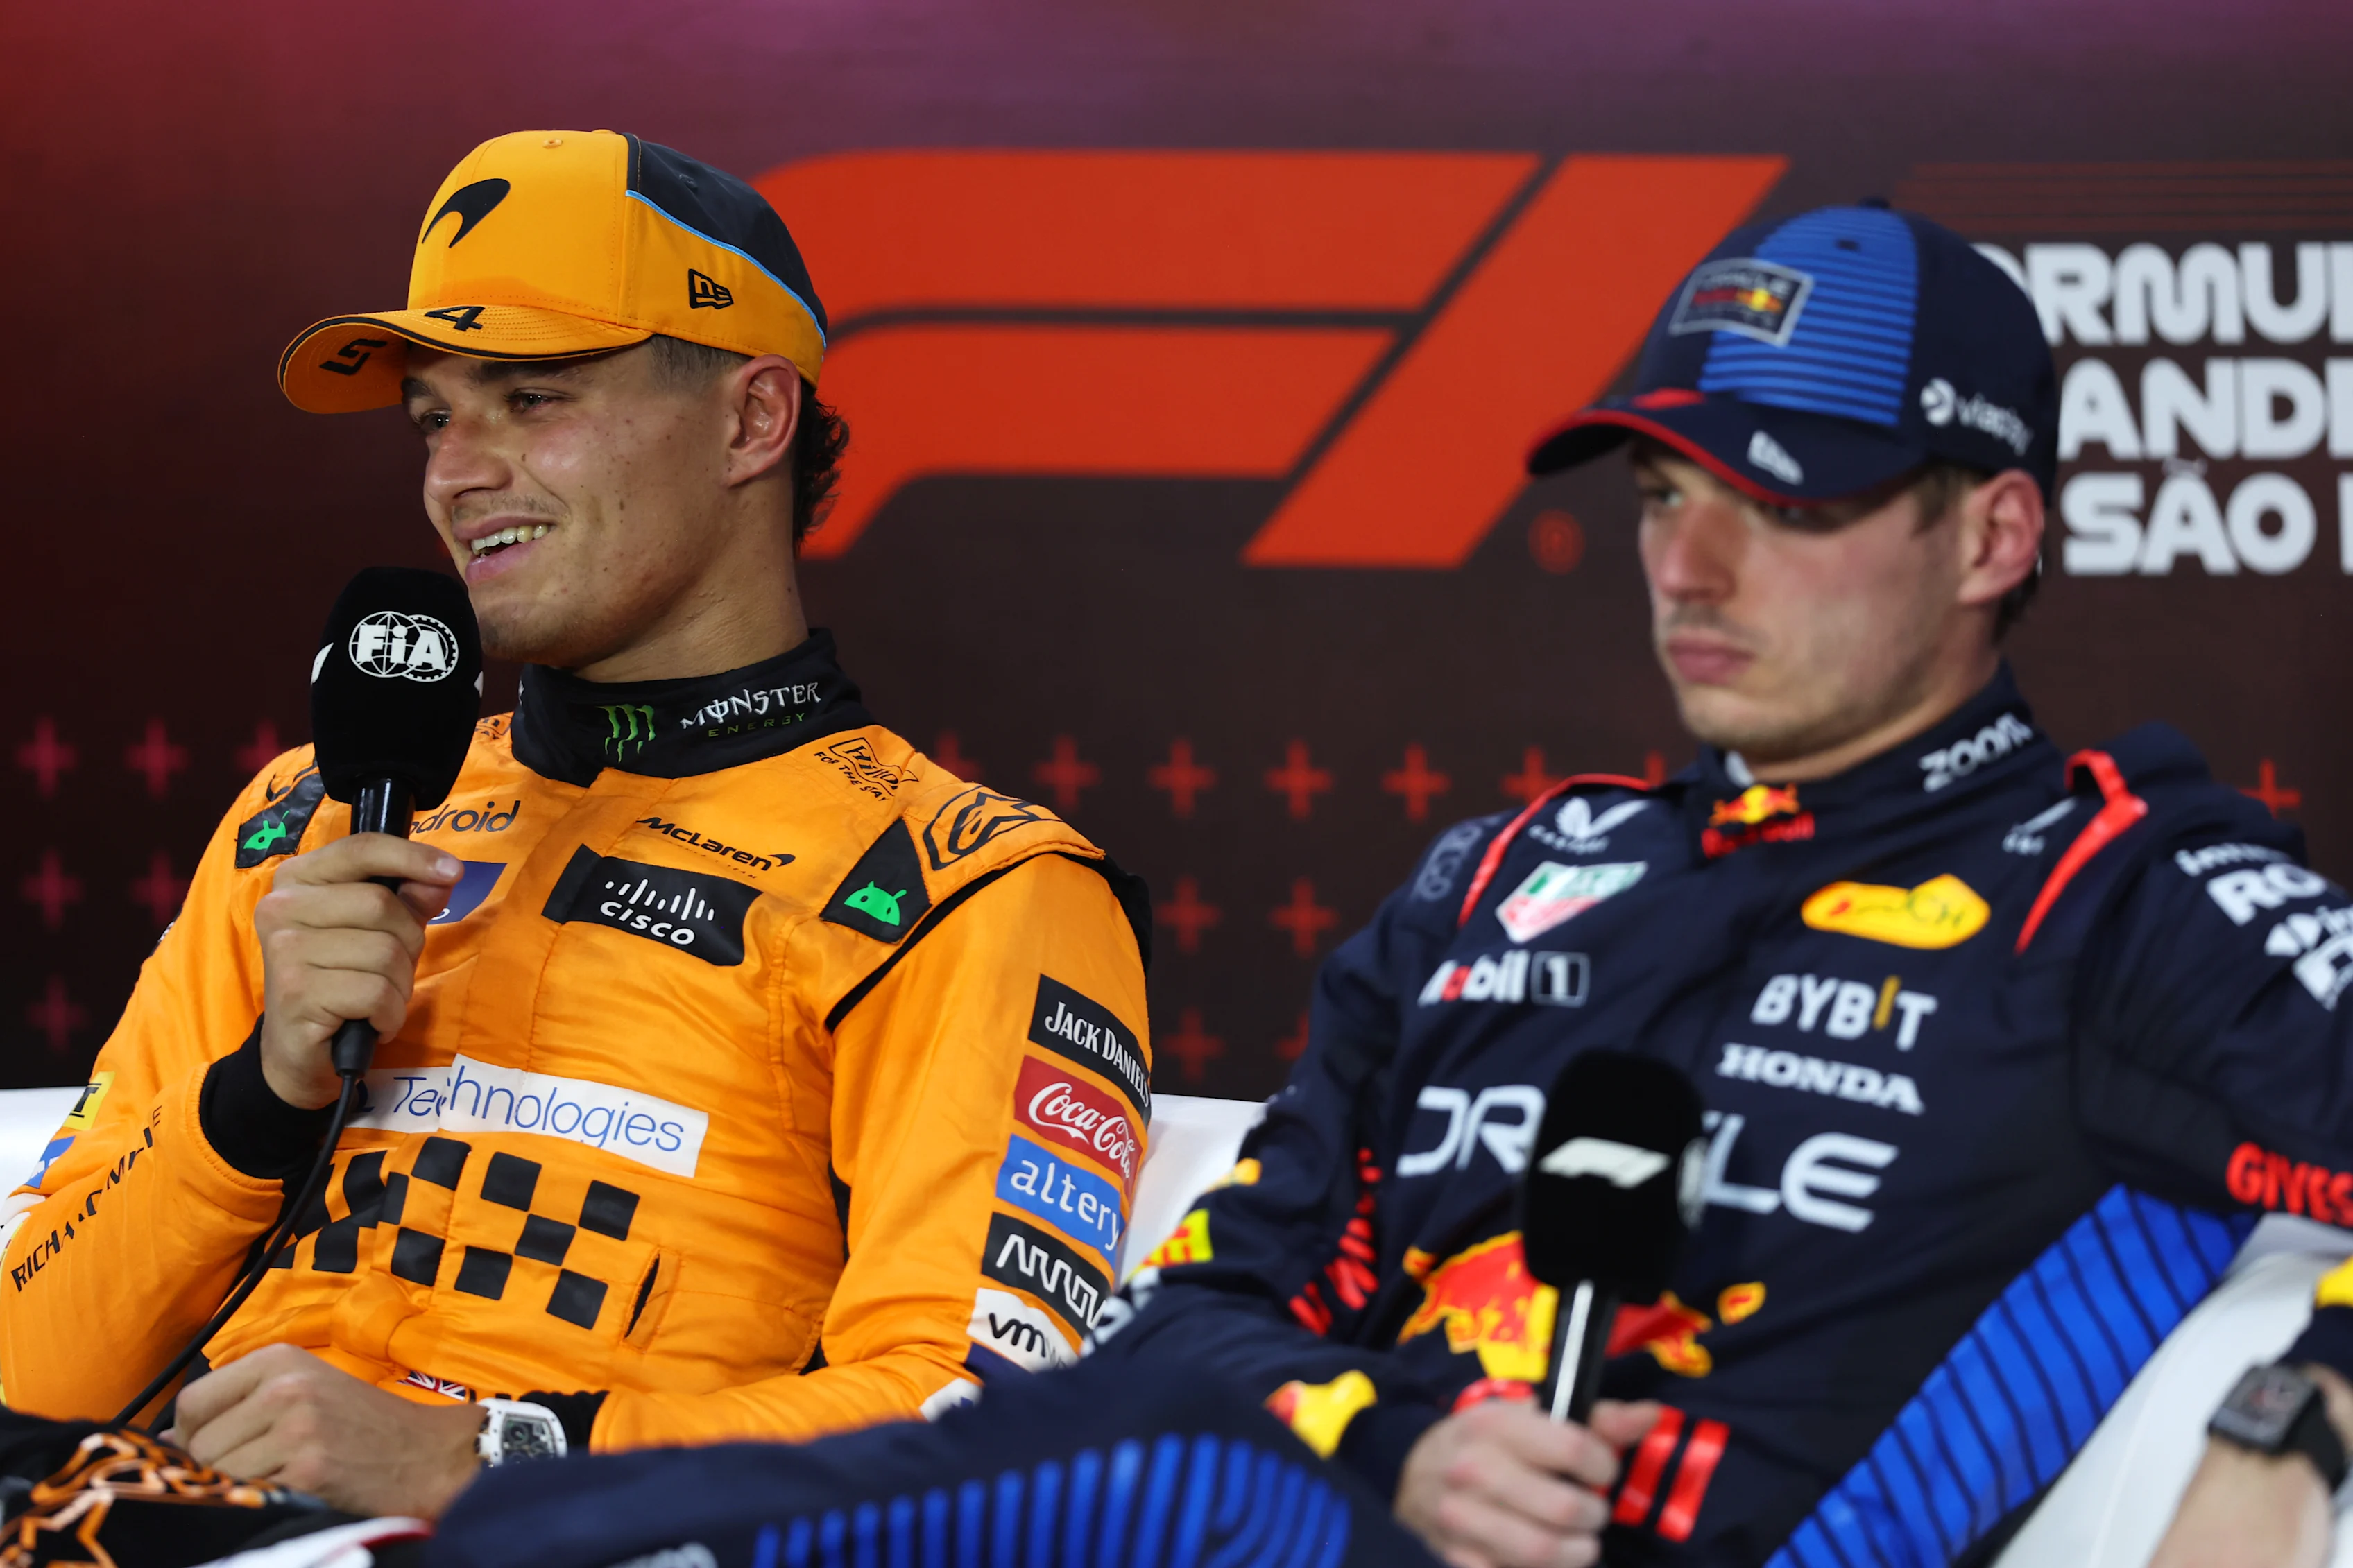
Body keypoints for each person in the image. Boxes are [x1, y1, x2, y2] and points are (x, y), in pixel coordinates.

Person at [1096, 203, 2353, 1567]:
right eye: (1660, 496)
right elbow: (1178, 1323)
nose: (1687, 570)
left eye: (1783, 502)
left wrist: (2283, 1432)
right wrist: (1390, 1441)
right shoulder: (1497, 877)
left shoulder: (2114, 896)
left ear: (1991, 537)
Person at [0, 130, 1152, 1523]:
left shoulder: (962, 887)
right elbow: (25, 1365)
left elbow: (993, 1420)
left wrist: (484, 1453)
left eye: (530, 397)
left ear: (751, 421)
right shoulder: (304, 819)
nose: (457, 473)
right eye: (433, 417)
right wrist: (255, 1094)